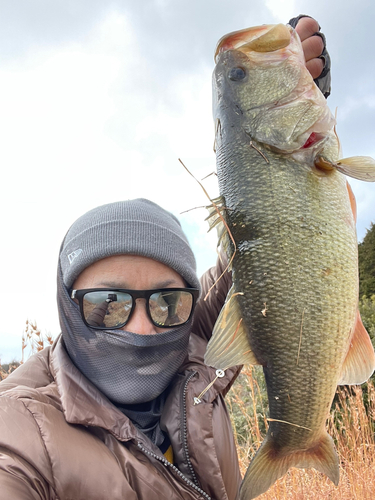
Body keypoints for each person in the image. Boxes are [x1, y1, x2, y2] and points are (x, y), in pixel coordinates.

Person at [0, 16, 330, 500]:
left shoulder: (187, 348)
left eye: (167, 303)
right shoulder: (23, 438)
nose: (142, 328)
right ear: (69, 307)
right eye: (107, 304)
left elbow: (261, 254)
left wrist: (289, 133)